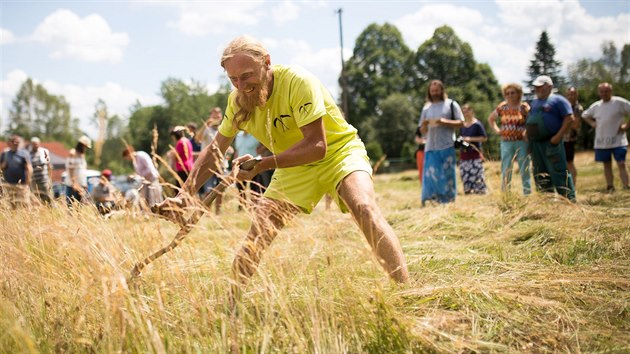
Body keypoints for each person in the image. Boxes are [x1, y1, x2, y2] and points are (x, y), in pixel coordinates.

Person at [157, 35, 409, 289]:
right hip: (292, 164)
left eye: (246, 76)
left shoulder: (298, 82)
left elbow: (317, 146)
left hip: (338, 153)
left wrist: (263, 163)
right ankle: (230, 310)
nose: (241, 85)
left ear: (267, 62)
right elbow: (214, 150)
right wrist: (185, 194)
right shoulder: (237, 101)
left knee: (363, 207)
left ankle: (406, 290)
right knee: (258, 234)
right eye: (233, 79)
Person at [526, 75, 576, 200]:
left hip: (551, 142)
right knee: (540, 173)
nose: (537, 89)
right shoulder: (535, 102)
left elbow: (569, 118)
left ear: (549, 86)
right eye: (536, 87)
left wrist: (558, 136)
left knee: (558, 171)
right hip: (536, 144)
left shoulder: (558, 100)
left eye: (540, 86)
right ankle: (546, 201)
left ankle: (568, 200)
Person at [418, 80, 464, 205]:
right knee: (431, 174)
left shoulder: (451, 104)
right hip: (430, 146)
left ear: (442, 90)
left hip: (447, 144)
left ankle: (448, 200)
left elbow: (461, 123)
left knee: (447, 173)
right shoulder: (426, 107)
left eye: (436, 90)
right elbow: (421, 130)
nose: (434, 93)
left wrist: (444, 122)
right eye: (432, 91)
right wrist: (424, 125)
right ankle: (432, 199)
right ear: (429, 92)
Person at [581, 82, 630, 192]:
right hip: (602, 141)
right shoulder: (596, 106)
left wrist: (626, 125)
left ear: (611, 91)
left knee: (621, 163)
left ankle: (626, 185)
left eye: (606, 91)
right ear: (599, 93)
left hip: (618, 140)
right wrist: (592, 123)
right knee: (606, 164)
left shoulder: (619, 102)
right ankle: (610, 186)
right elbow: (584, 115)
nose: (604, 94)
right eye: (602, 92)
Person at [488, 83, 532, 195]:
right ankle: (506, 194)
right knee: (506, 168)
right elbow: (491, 119)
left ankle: (527, 193)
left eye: (513, 93)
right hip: (506, 142)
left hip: (522, 142)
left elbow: (531, 122)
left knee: (524, 168)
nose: (510, 95)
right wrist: (498, 131)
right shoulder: (502, 107)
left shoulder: (524, 107)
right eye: (507, 93)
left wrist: (527, 132)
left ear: (518, 94)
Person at [233, 131, 266, 210]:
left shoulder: (256, 134)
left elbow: (265, 145)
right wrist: (235, 161)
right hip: (240, 165)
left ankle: (254, 206)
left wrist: (260, 151)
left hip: (254, 164)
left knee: (254, 187)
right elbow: (237, 150)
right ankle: (242, 206)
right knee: (240, 188)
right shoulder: (238, 136)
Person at [459, 104, 488, 194]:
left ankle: (480, 190)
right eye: (463, 112)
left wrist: (470, 139)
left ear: (472, 111)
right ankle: (468, 189)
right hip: (464, 152)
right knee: (465, 172)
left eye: (467, 111)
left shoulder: (477, 124)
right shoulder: (462, 125)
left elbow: (484, 138)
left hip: (475, 152)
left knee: (477, 172)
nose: (465, 114)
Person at [0, 134, 32, 208]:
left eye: (17, 142)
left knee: (24, 204)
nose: (16, 143)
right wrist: (4, 165)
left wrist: (28, 181)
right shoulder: (5, 154)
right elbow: (1, 168)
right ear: (9, 143)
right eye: (13, 141)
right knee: (11, 206)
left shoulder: (24, 153)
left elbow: (29, 168)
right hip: (8, 185)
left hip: (21, 185)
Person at [564, 87, 583, 186]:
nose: (570, 96)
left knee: (569, 163)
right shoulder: (565, 106)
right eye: (569, 94)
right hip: (562, 139)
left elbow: (575, 124)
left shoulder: (577, 108)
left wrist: (564, 122)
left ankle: (573, 186)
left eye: (573, 94)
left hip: (570, 139)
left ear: (576, 95)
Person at [65, 135, 91, 205]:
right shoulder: (73, 153)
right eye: (85, 146)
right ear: (82, 145)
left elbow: (82, 171)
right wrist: (74, 184)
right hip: (73, 185)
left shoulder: (82, 155)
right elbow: (71, 169)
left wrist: (84, 183)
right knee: (71, 206)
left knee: (80, 206)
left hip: (81, 186)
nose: (85, 148)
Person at [29, 136, 53, 204]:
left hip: (44, 180)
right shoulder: (29, 154)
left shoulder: (43, 152)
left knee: (48, 199)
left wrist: (50, 179)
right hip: (34, 181)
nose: (35, 145)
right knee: (36, 200)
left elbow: (49, 166)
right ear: (31, 144)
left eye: (36, 144)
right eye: (34, 144)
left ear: (39, 144)